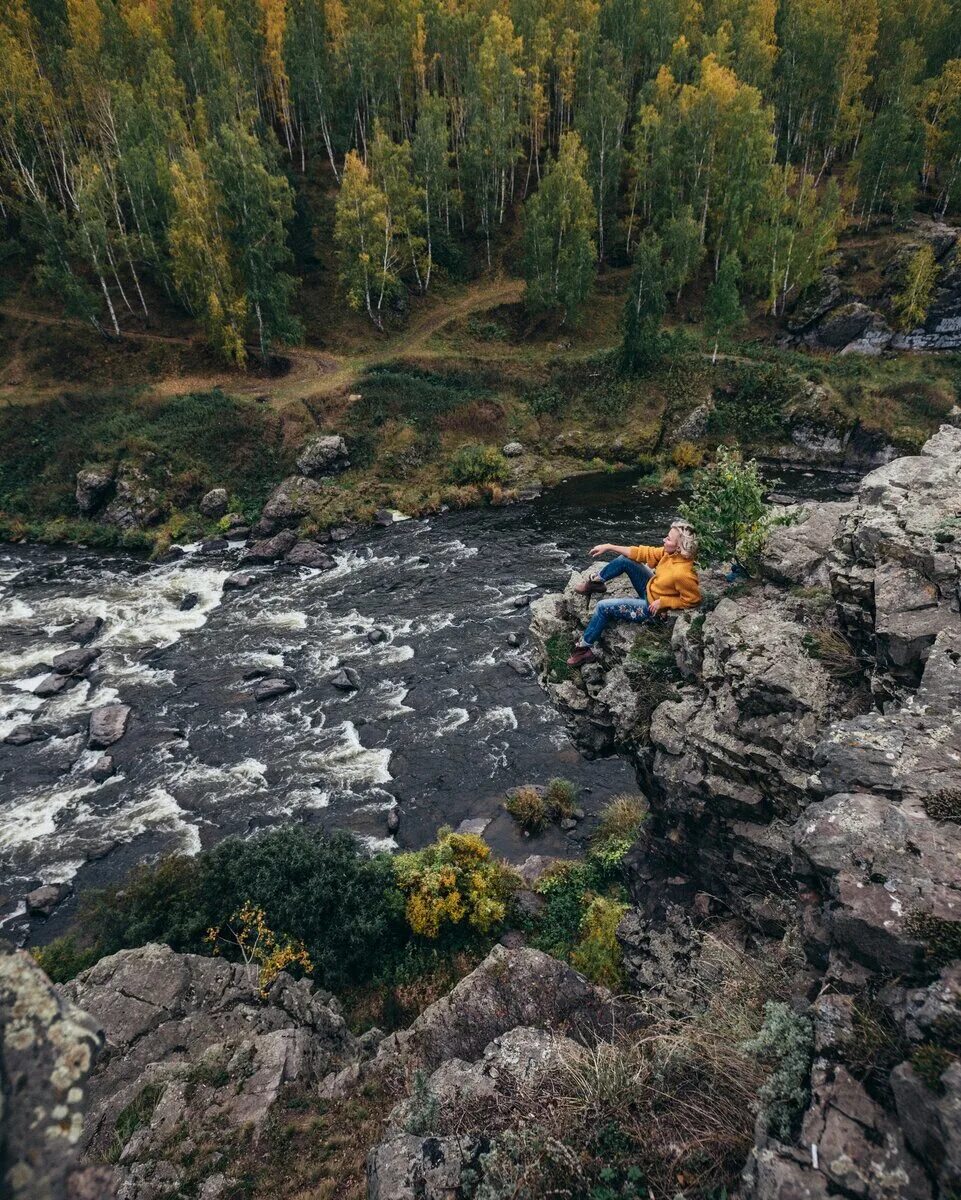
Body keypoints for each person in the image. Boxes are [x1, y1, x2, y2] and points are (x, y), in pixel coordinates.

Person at [566, 519, 701, 667]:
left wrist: (664, 603)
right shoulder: (670, 554)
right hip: (651, 591)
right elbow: (641, 553)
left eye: (668, 539)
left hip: (651, 610)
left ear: (679, 546)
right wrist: (609, 547)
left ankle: (584, 649)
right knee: (625, 560)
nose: (664, 539)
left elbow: (693, 600)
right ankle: (596, 583)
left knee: (602, 607)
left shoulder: (683, 573)